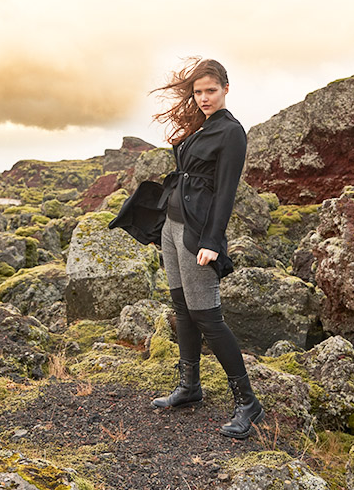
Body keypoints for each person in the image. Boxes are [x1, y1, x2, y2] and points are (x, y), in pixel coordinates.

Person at [109, 57, 264, 439]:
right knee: (182, 310)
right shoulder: (201, 126)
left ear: (226, 89)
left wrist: (212, 241)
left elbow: (225, 194)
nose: (204, 97)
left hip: (197, 236)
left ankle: (248, 402)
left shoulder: (231, 133)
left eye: (211, 90)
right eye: (198, 92)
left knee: (207, 316)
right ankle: (189, 387)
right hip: (172, 228)